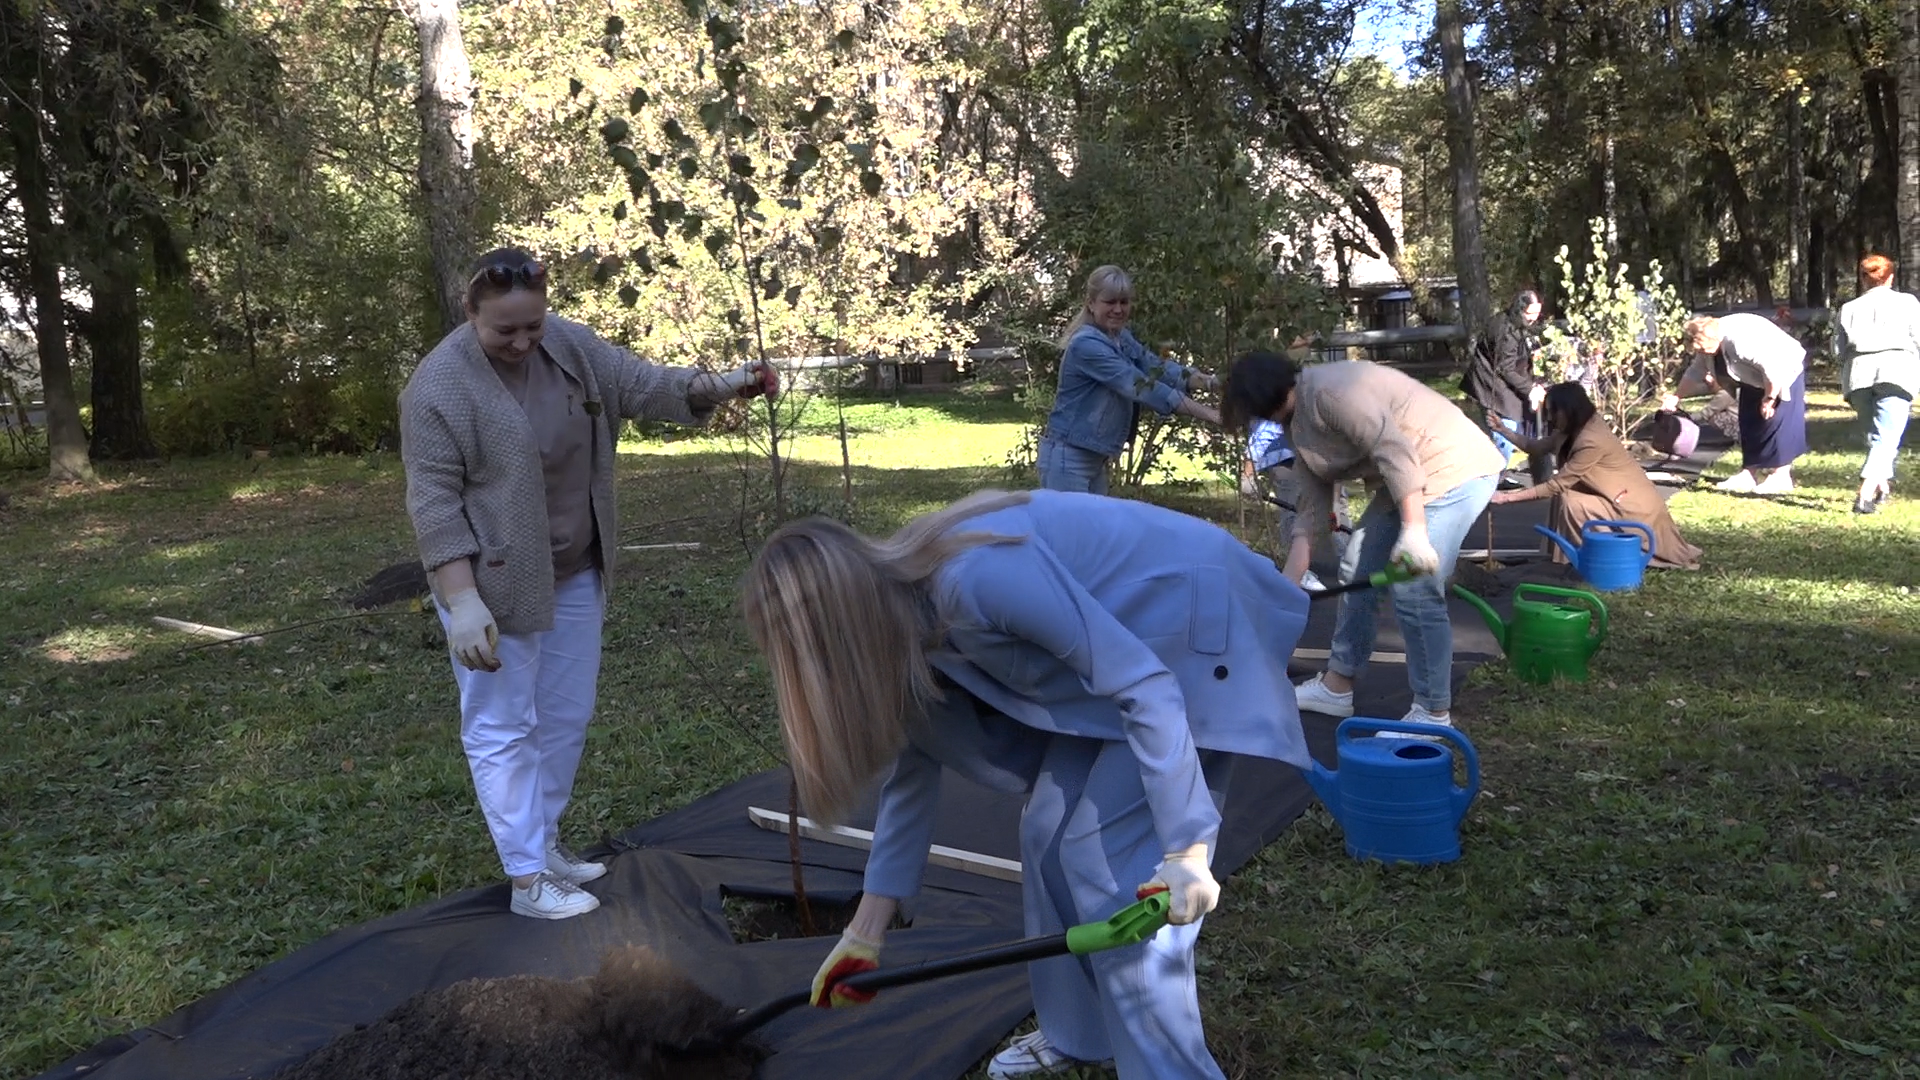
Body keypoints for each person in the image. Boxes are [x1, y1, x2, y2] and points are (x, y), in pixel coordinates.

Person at [739, 489, 1312, 1080]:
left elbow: (1146, 685)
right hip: (1121, 668)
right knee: (1046, 829)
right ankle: (1079, 1035)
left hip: (1193, 633)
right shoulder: (900, 617)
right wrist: (866, 931)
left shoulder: (975, 580)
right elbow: (914, 768)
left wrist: (1186, 847)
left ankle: (1174, 1072)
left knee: (1105, 863)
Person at [400, 247, 778, 920]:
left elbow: (643, 385)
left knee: (564, 717)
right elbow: (433, 502)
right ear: (470, 314)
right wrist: (460, 603)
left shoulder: (569, 347)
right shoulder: (439, 386)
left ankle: (541, 846)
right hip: (490, 585)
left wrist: (726, 385)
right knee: (502, 725)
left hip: (575, 566)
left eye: (532, 327)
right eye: (503, 331)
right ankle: (525, 881)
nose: (521, 342)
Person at [1222, 353, 1504, 730]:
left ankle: (1433, 713)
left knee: (1414, 587)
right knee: (1357, 565)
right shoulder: (1294, 419)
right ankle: (1337, 687)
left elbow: (1396, 454)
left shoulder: (1331, 395)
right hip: (1405, 479)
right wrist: (1285, 589)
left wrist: (1415, 533)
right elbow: (1311, 509)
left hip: (1452, 467)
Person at [1039, 266, 1221, 493]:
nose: (1118, 309)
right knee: (1069, 529)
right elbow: (1142, 387)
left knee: (1094, 529)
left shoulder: (1120, 337)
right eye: (1110, 302)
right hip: (1068, 457)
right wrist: (1213, 415)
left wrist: (1214, 383)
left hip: (1094, 457)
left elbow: (1159, 368)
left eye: (1124, 302)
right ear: (1091, 303)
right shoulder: (1086, 345)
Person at [1492, 382, 1702, 569]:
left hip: (1632, 506)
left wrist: (1507, 497)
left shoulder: (1591, 440)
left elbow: (1555, 485)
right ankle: (1565, 557)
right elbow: (1536, 447)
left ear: (1567, 411)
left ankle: (1593, 558)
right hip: (1617, 497)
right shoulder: (1572, 427)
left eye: (1552, 412)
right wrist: (1502, 429)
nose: (1549, 418)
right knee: (1569, 498)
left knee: (1573, 502)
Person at [1669, 312, 1807, 494]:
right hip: (1753, 376)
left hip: (1783, 368)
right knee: (1749, 420)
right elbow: (1695, 372)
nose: (1701, 352)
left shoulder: (1740, 340)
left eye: (1701, 348)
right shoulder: (1708, 343)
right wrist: (1676, 396)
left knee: (1777, 419)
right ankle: (1748, 474)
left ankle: (1781, 476)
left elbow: (1772, 368)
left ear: (1713, 337)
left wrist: (1770, 398)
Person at [1835, 253, 1920, 515]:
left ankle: (1883, 488)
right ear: (1891, 277)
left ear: (1863, 279)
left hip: (1859, 375)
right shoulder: (1908, 302)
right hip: (1896, 370)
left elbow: (1838, 350)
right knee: (1886, 437)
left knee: (1876, 435)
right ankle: (1865, 494)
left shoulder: (1848, 308)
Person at [1247, 416, 1348, 591]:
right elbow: (1266, 429)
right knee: (1293, 512)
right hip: (1286, 459)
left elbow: (1337, 454)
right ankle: (1298, 573)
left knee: (1338, 510)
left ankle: (1350, 563)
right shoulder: (1290, 397)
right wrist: (1247, 473)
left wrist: (1337, 503)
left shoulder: (1334, 417)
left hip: (1320, 456)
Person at [1461, 288, 1548, 467]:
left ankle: (1498, 474)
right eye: (1530, 313)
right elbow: (1505, 369)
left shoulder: (1514, 323)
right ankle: (1496, 476)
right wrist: (1530, 389)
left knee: (1504, 429)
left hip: (1495, 383)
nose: (1534, 318)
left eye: (1537, 313)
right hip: (1489, 386)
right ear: (1520, 309)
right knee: (1505, 429)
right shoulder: (1506, 332)